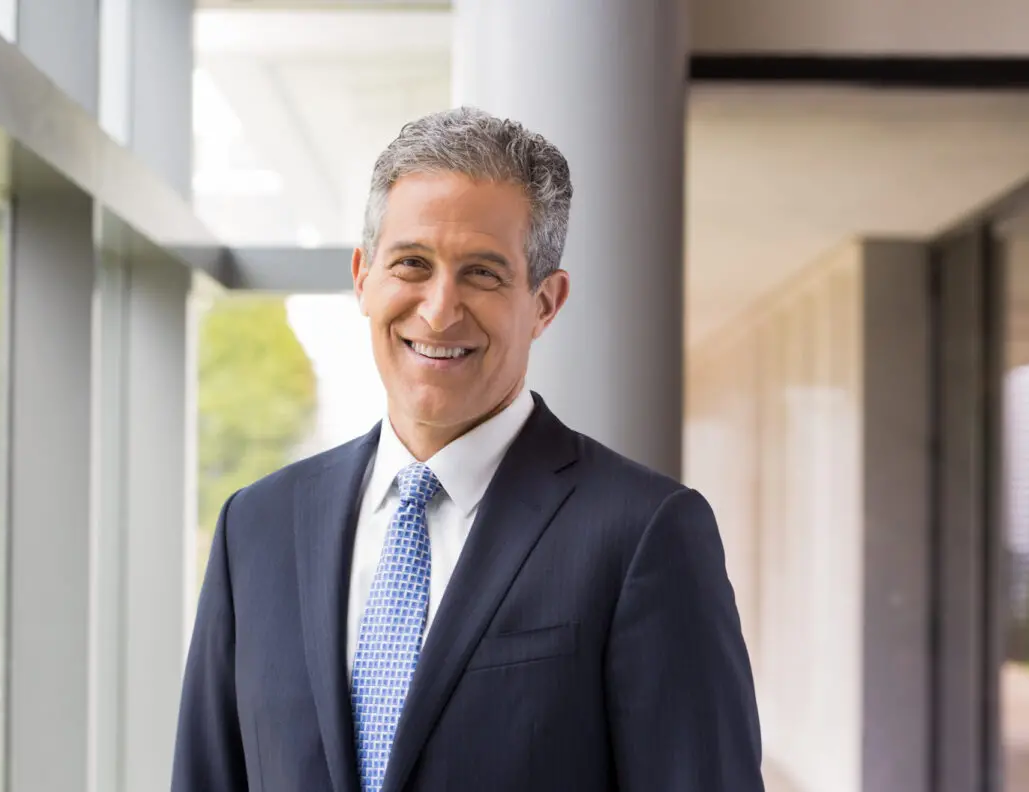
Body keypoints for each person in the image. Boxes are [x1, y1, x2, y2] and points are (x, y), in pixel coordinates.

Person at [172, 107, 765, 792]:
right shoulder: (257, 527)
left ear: (545, 302)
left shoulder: (643, 533)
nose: (439, 309)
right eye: (412, 264)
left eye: (482, 274)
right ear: (363, 276)